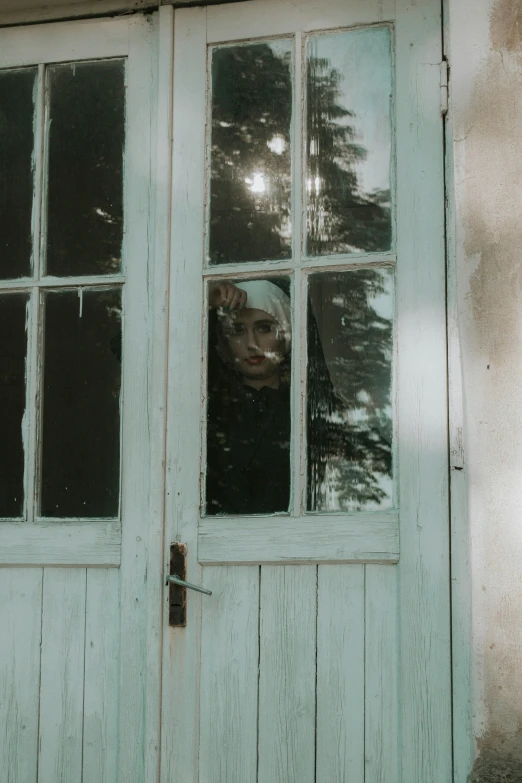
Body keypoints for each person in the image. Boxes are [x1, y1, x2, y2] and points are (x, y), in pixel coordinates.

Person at [206, 279, 291, 515]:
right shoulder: (209, 406)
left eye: (264, 328)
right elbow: (129, 347)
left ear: (286, 333)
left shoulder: (305, 410)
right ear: (224, 340)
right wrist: (203, 302)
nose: (252, 344)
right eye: (237, 330)